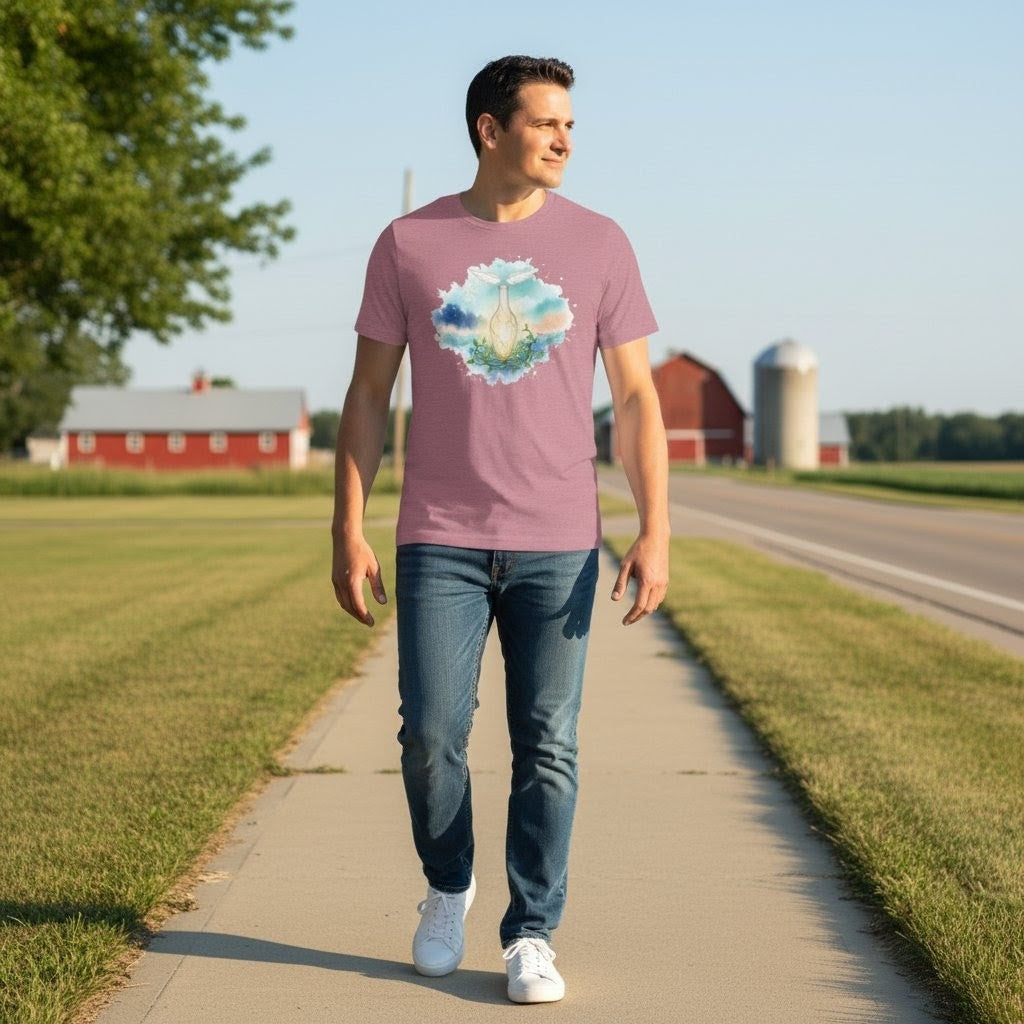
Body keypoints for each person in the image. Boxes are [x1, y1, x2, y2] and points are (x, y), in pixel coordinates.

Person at [332, 54, 669, 1005]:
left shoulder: (602, 243)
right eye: (546, 123)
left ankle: (531, 932)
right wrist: (347, 529)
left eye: (572, 125)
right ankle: (448, 887)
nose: (565, 140)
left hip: (559, 537)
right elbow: (366, 395)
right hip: (438, 533)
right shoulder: (407, 242)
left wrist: (656, 528)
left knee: (547, 743)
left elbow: (637, 396)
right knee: (431, 736)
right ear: (491, 129)